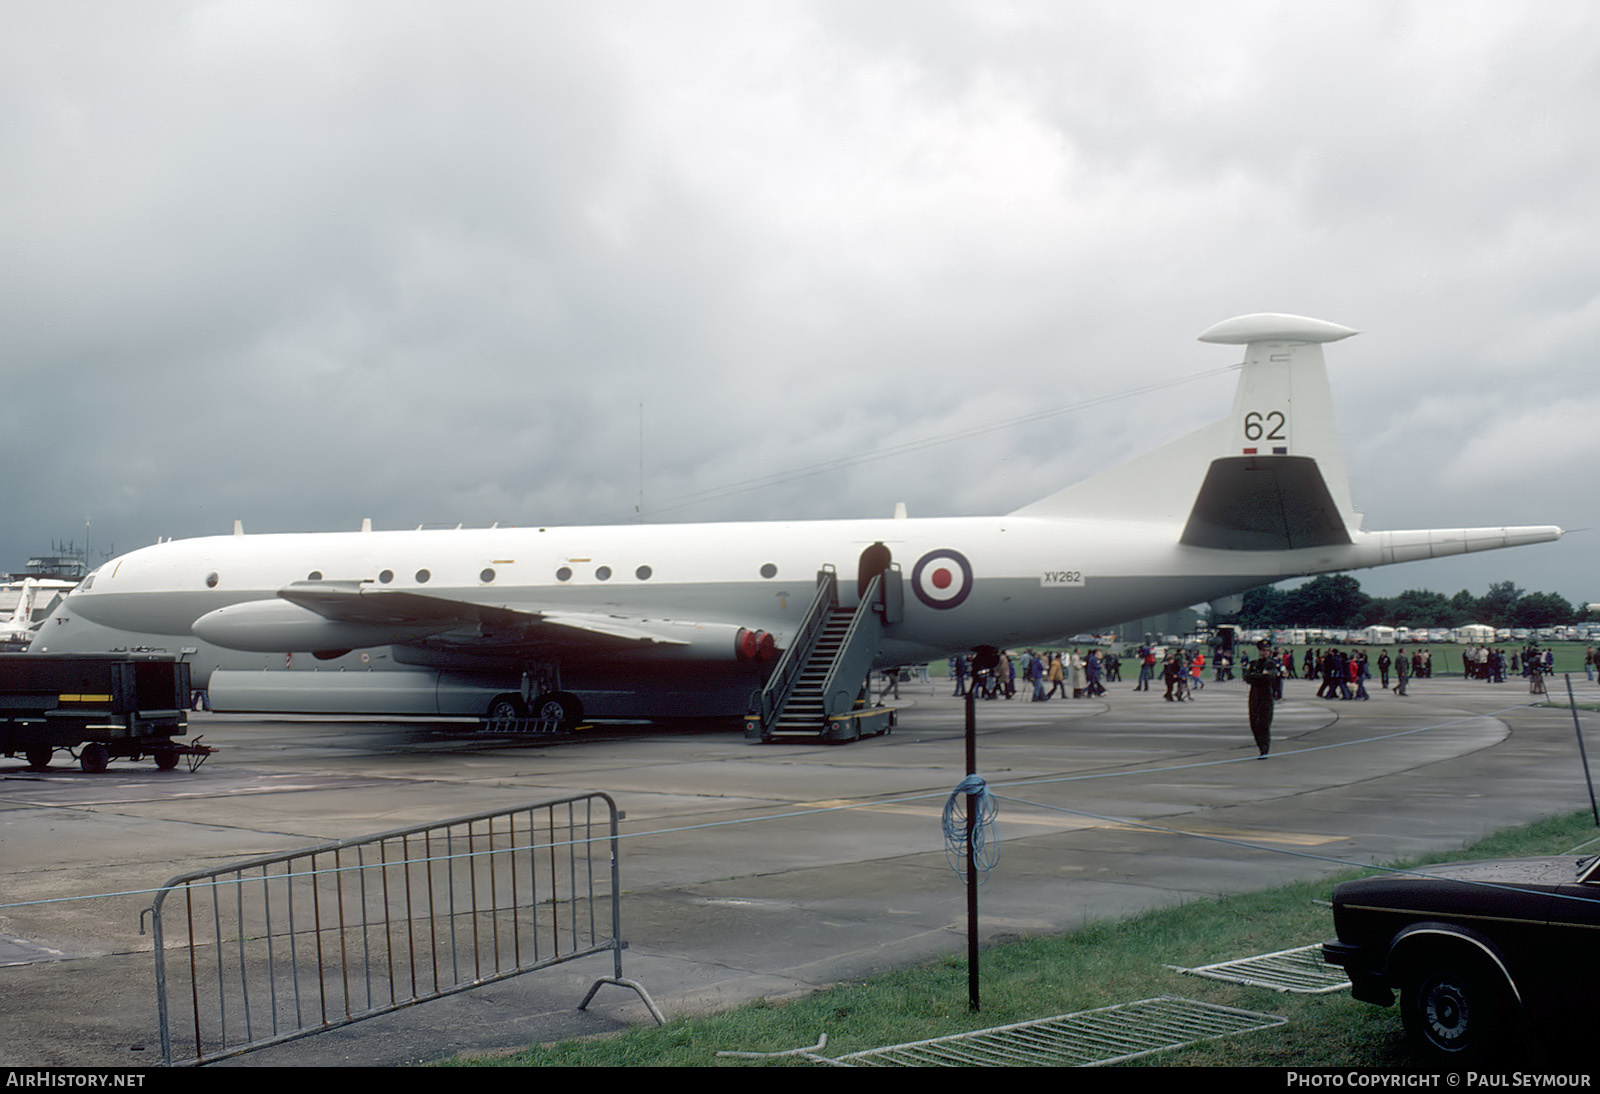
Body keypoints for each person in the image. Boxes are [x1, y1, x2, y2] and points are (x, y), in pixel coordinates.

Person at [1243, 641, 1279, 757]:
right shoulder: (1254, 663)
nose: (1264, 652)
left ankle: (1264, 749)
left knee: (1264, 723)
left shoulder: (1271, 664)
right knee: (1254, 723)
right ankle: (1260, 745)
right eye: (1262, 650)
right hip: (1254, 696)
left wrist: (1256, 676)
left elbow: (1269, 677)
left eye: (1266, 650)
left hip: (1266, 696)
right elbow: (1247, 677)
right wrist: (1260, 676)